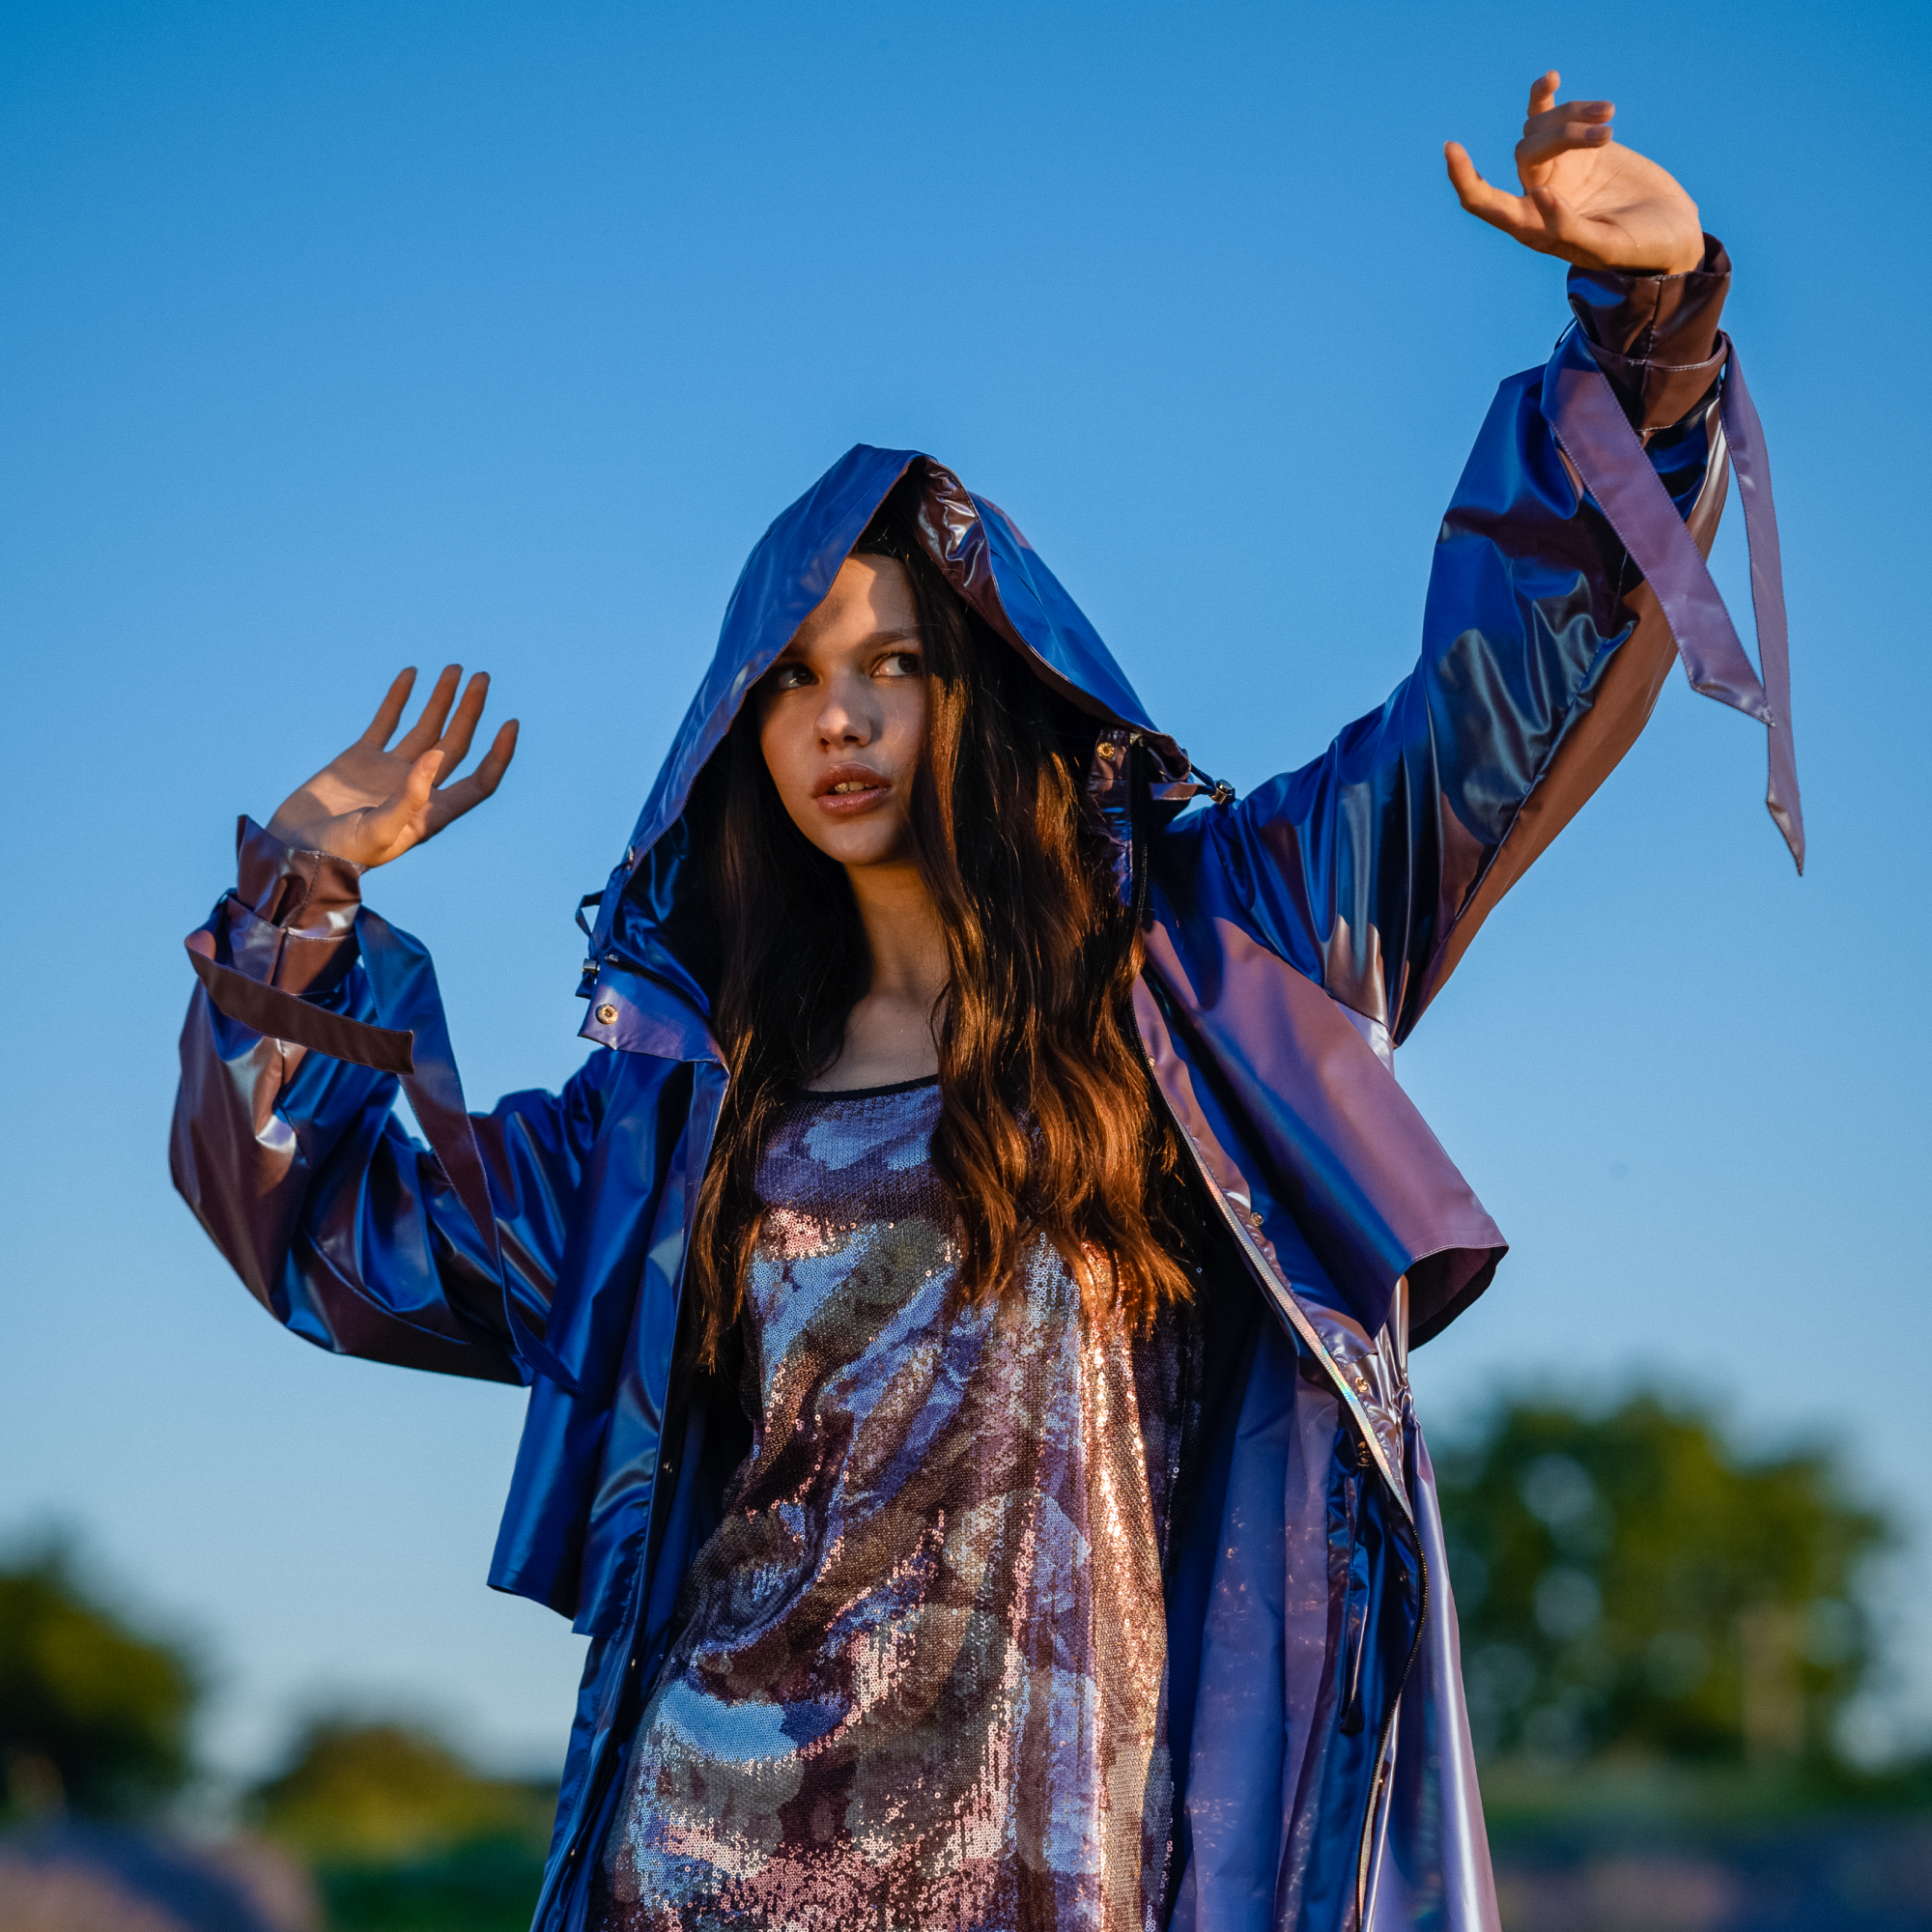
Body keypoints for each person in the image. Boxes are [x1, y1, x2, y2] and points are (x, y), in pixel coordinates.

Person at [171, 73, 1799, 1932]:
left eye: (893, 666)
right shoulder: (675, 1121)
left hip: (1061, 1859)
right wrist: (295, 902)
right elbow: (335, 1224)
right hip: (697, 1866)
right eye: (791, 682)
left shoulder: (1206, 970)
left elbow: (1485, 732)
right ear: (738, 735)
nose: (840, 720)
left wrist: (1651, 328)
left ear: (990, 692)